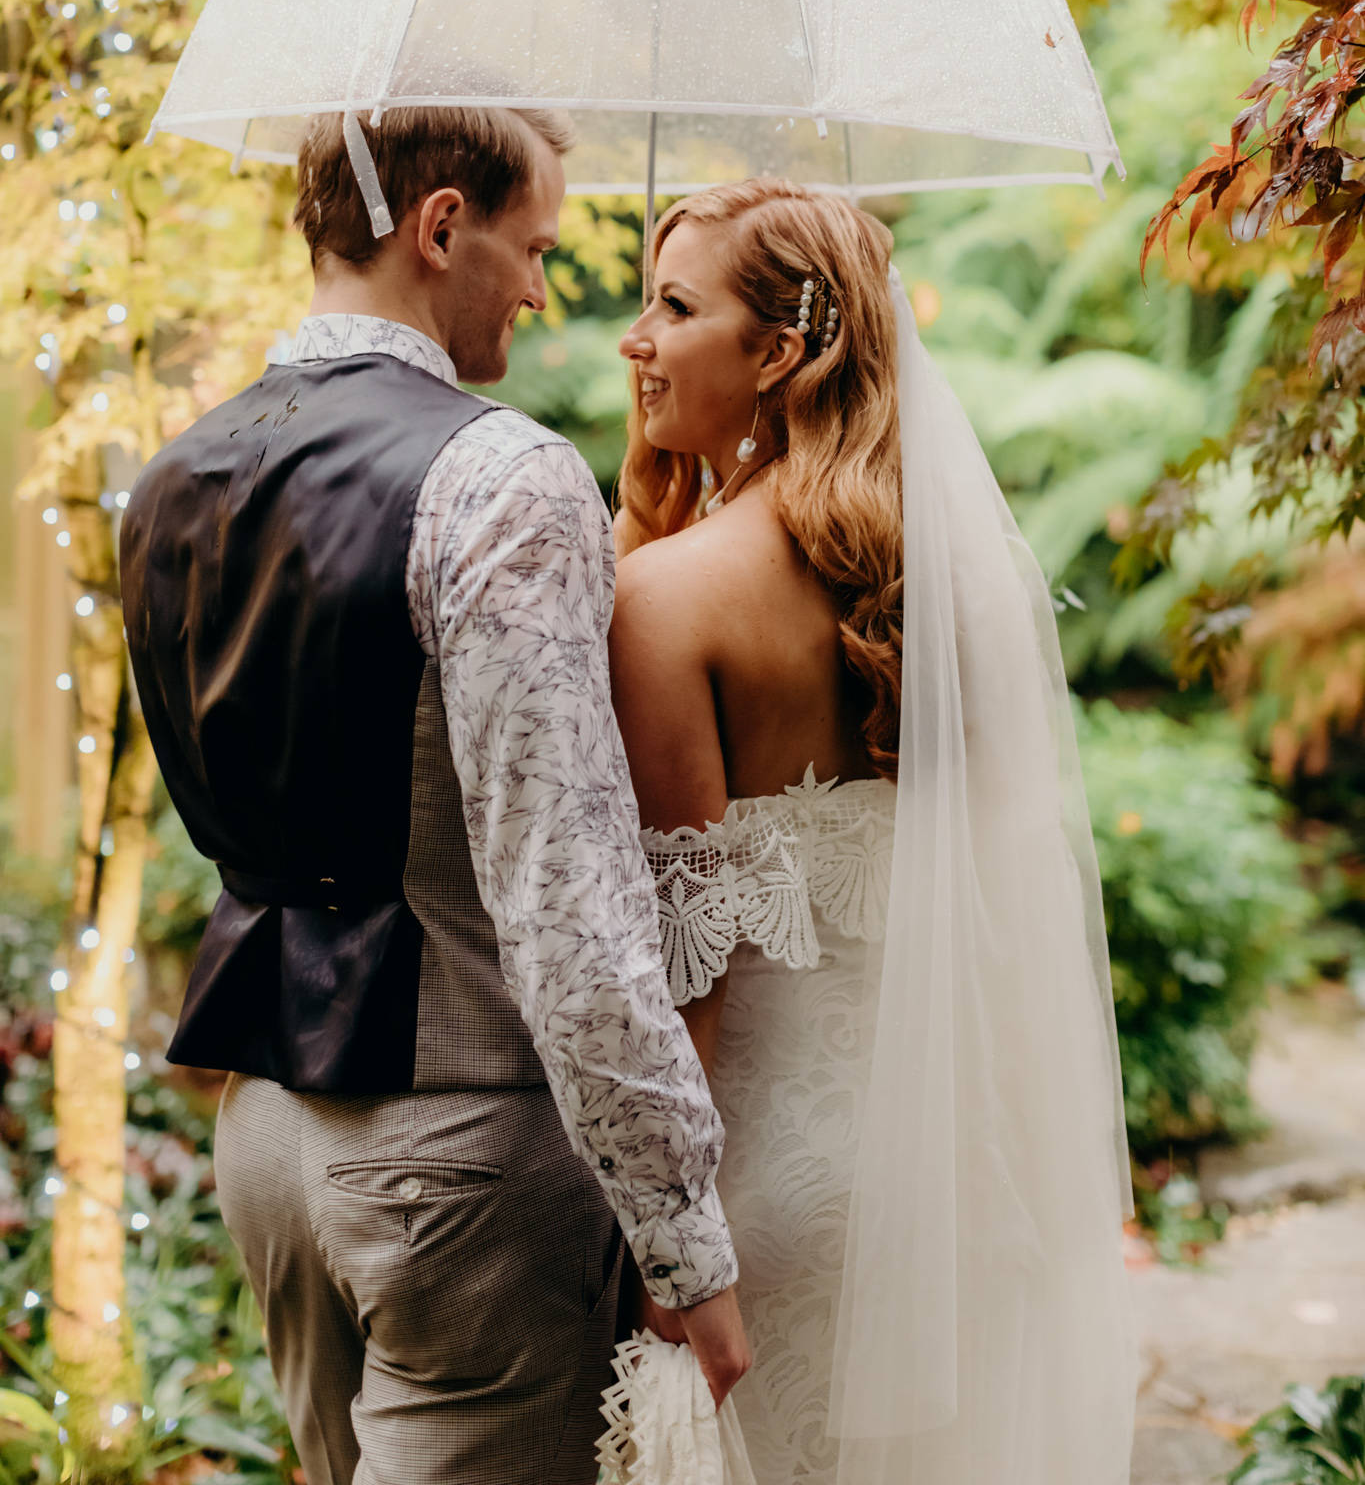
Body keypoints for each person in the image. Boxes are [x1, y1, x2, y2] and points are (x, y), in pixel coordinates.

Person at [118, 103, 750, 1485]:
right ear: (440, 223)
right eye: (530, 246)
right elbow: (567, 900)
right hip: (455, 1155)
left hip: (266, 1144)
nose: (539, 286)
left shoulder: (170, 479)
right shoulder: (500, 475)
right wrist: (682, 1237)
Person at [610, 178, 1136, 1485]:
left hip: (760, 1192)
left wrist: (671, 1246)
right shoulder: (955, 587)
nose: (634, 342)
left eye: (671, 308)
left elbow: (691, 963)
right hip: (958, 1172)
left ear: (777, 350)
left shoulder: (664, 600)